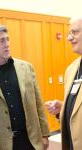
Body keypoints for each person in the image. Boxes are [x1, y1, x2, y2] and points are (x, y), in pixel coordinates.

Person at [0, 23, 50, 150]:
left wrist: (45, 133)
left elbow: (38, 103)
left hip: (30, 140)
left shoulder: (26, 68)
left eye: (7, 39)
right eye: (1, 41)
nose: (7, 44)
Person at [45, 17, 82, 150]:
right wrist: (63, 109)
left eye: (75, 32)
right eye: (69, 33)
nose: (69, 38)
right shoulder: (71, 69)